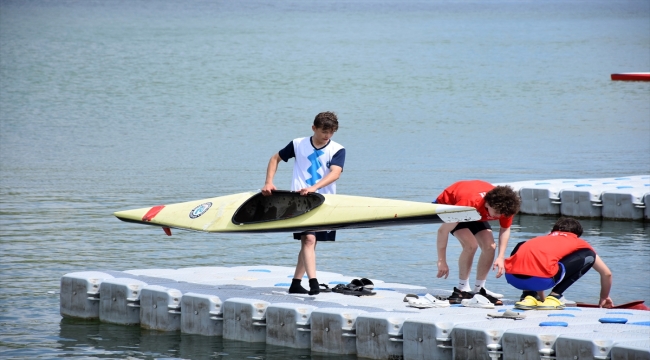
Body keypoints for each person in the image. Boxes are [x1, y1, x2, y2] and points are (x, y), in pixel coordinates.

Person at [261, 111, 345, 295]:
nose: (327, 136)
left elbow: (335, 173)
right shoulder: (298, 144)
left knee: (310, 244)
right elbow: (275, 159)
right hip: (299, 202)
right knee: (309, 239)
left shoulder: (337, 149)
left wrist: (314, 187)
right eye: (324, 131)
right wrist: (268, 182)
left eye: (331, 132)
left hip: (325, 202)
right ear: (313, 128)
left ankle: (296, 283)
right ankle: (314, 283)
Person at [434, 180, 520, 305]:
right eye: (496, 213)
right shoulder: (468, 203)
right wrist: (442, 261)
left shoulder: (506, 208)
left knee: (490, 246)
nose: (499, 217)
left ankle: (479, 289)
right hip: (453, 206)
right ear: (488, 204)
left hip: (478, 211)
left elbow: (505, 229)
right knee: (471, 245)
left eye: (502, 215)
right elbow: (442, 231)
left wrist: (501, 257)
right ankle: (462, 289)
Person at [505, 217, 613, 310]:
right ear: (577, 235)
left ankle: (529, 296)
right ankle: (555, 297)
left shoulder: (538, 239)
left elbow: (536, 266)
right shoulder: (577, 241)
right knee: (589, 255)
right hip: (540, 279)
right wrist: (604, 297)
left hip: (512, 278)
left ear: (552, 231)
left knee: (523, 246)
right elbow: (606, 273)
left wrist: (541, 299)